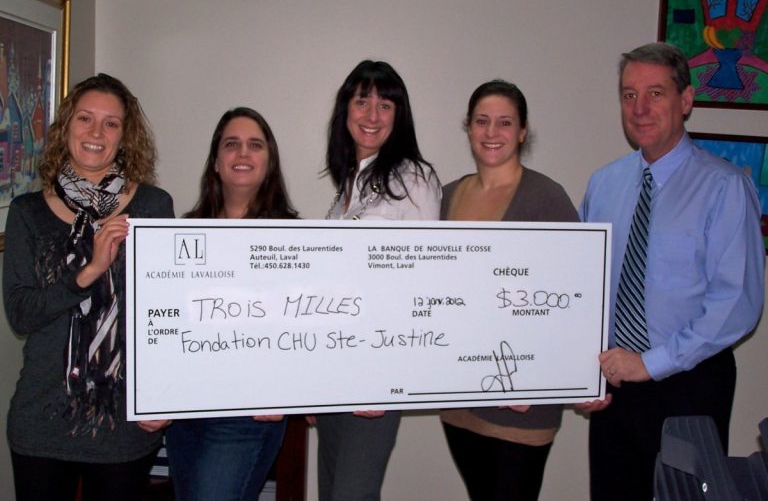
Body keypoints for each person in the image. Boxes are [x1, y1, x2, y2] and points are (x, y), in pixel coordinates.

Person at [579, 42, 764, 500]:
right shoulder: (604, 184)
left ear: (685, 101)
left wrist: (651, 363)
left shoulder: (725, 186)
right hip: (615, 385)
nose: (639, 109)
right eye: (628, 95)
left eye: (655, 94)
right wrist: (582, 371)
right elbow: (583, 289)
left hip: (689, 385)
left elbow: (736, 303)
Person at [3, 73, 174, 501]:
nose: (96, 133)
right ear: (66, 128)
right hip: (43, 421)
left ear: (124, 136)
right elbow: (21, 314)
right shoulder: (27, 213)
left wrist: (164, 396)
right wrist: (91, 269)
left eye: (111, 123)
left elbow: (169, 314)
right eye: (85, 119)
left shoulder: (153, 206)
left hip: (122, 425)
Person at [439, 80, 578, 501]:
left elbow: (574, 303)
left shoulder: (546, 199)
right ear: (468, 128)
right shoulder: (445, 197)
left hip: (522, 403)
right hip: (459, 400)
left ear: (522, 131)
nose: (491, 132)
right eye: (481, 121)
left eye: (504, 122)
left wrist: (539, 379)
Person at [316, 59, 441, 500]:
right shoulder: (347, 186)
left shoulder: (415, 179)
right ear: (345, 109)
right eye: (362, 101)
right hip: (332, 374)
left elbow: (422, 285)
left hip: (375, 372)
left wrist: (386, 375)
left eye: (385, 104)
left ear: (398, 116)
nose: (371, 115)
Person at [164, 107, 296, 501]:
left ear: (268, 163)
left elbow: (308, 327)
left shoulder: (295, 240)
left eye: (255, 145)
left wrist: (291, 390)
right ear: (216, 163)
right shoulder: (182, 236)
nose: (243, 153)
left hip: (247, 413)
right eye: (231, 144)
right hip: (185, 412)